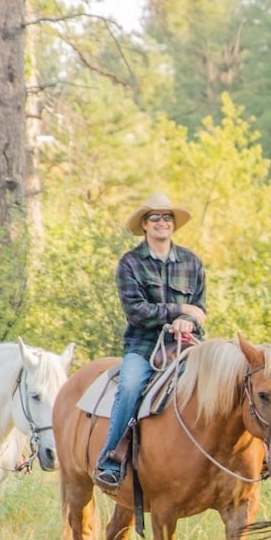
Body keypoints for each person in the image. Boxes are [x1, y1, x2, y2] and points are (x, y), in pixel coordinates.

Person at [93, 193, 206, 488]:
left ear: (173, 224)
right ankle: (111, 460)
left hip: (187, 344)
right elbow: (136, 312)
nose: (161, 222)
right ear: (144, 224)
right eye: (154, 217)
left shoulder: (192, 262)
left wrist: (190, 321)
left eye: (167, 217)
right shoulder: (130, 263)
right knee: (129, 385)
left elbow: (200, 309)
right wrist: (179, 310)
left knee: (226, 381)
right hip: (144, 346)